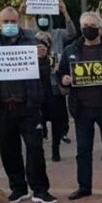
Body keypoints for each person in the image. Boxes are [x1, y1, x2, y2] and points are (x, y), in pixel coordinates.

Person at [0, 7, 56, 203]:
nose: (10, 25)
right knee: (8, 149)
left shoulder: (32, 42)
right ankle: (18, 188)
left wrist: (44, 58)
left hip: (28, 105)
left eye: (13, 21)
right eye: (6, 22)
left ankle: (40, 189)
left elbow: (45, 73)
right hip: (1, 106)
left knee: (35, 148)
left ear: (19, 21)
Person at [58, 12, 102, 200]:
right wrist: (64, 79)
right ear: (81, 28)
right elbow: (61, 73)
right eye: (86, 25)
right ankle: (84, 186)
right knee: (83, 151)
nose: (90, 29)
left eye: (93, 26)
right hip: (82, 108)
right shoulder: (70, 50)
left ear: (100, 28)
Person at [35, 32, 70, 162]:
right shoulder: (31, 58)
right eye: (39, 44)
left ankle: (56, 151)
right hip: (38, 95)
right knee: (38, 125)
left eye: (45, 43)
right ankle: (39, 152)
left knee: (57, 124)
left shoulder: (56, 56)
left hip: (55, 93)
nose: (42, 47)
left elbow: (65, 71)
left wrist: (59, 70)